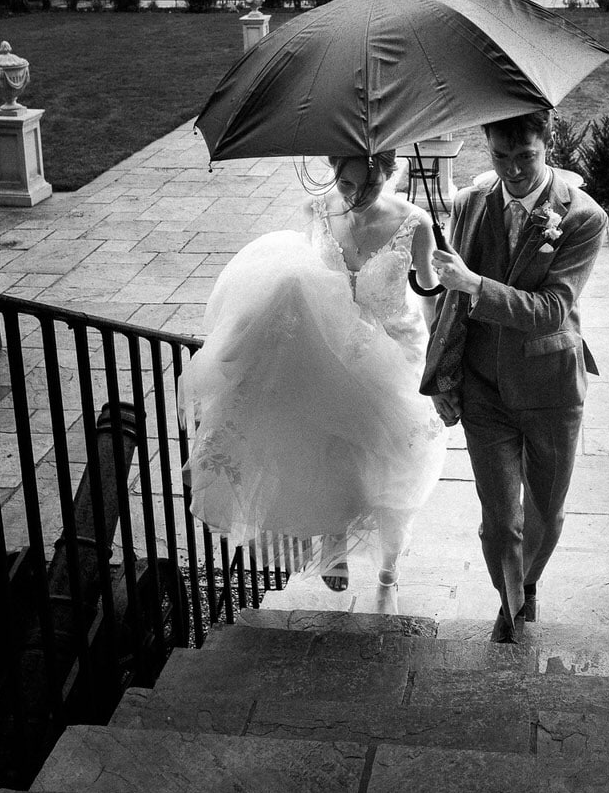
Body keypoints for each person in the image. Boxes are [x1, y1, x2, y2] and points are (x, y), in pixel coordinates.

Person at [182, 152, 447, 592]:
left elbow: (429, 298)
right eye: (346, 185)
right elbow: (300, 276)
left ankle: (391, 551)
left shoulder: (416, 223)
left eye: (369, 186)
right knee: (328, 447)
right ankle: (334, 534)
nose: (356, 197)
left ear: (388, 173)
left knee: (390, 455)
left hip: (392, 351)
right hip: (327, 346)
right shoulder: (316, 209)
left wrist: (440, 360)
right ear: (334, 172)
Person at [421, 109, 606, 642]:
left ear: (546, 146)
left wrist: (475, 283)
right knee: (501, 521)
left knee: (543, 514)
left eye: (524, 156)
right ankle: (511, 601)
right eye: (500, 157)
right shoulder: (472, 202)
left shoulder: (582, 218)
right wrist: (442, 378)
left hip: (550, 387)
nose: (513, 170)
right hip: (483, 389)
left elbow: (551, 309)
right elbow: (453, 302)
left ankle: (527, 586)